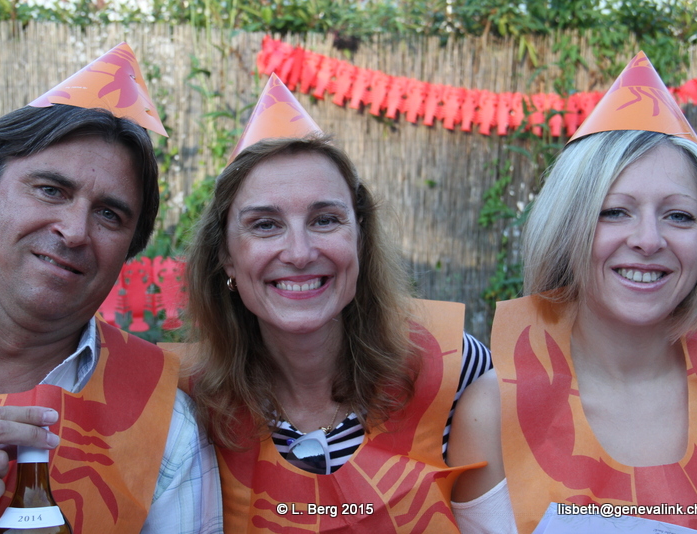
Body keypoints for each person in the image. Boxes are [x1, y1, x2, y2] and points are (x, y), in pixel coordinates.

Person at [0, 43, 222, 533]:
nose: (75, 231)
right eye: (51, 190)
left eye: (109, 214)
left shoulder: (165, 426)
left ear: (128, 250)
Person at [182, 74, 492, 532]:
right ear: (226, 256)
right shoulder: (187, 409)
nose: (300, 253)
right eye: (265, 225)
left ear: (360, 239)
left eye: (325, 220)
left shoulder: (457, 374)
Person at [447, 51, 697, 533]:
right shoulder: (492, 413)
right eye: (614, 211)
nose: (649, 240)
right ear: (567, 226)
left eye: (679, 215)